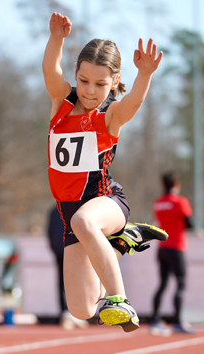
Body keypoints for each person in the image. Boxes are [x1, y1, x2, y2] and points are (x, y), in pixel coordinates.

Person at [43, 12, 167, 333]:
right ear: (76, 74)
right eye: (83, 81)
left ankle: (120, 299)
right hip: (70, 214)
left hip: (105, 201)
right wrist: (57, 39)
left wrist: (145, 75)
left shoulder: (109, 115)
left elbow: (133, 104)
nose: (89, 91)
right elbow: (50, 70)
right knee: (82, 308)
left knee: (84, 220)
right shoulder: (62, 103)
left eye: (100, 84)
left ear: (113, 82)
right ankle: (122, 243)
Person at [150, 172, 196, 334]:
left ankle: (155, 320)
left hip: (162, 248)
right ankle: (177, 321)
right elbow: (190, 224)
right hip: (177, 248)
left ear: (163, 185)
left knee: (162, 285)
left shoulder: (157, 203)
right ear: (176, 185)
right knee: (181, 284)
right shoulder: (180, 202)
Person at [47, 205, 88, 329]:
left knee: (64, 281)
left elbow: (49, 232)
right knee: (74, 281)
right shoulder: (76, 208)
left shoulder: (55, 210)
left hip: (62, 250)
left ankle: (69, 312)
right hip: (70, 250)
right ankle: (72, 313)